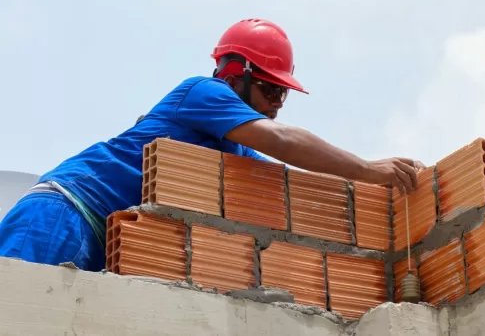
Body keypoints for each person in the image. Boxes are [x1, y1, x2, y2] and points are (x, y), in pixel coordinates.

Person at [0, 18, 425, 272]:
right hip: (65, 212)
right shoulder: (203, 92)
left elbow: (290, 181)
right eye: (268, 90)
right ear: (234, 73)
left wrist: (376, 199)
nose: (276, 105)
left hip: (101, 237)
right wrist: (369, 169)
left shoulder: (233, 152)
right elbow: (282, 141)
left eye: (283, 95)